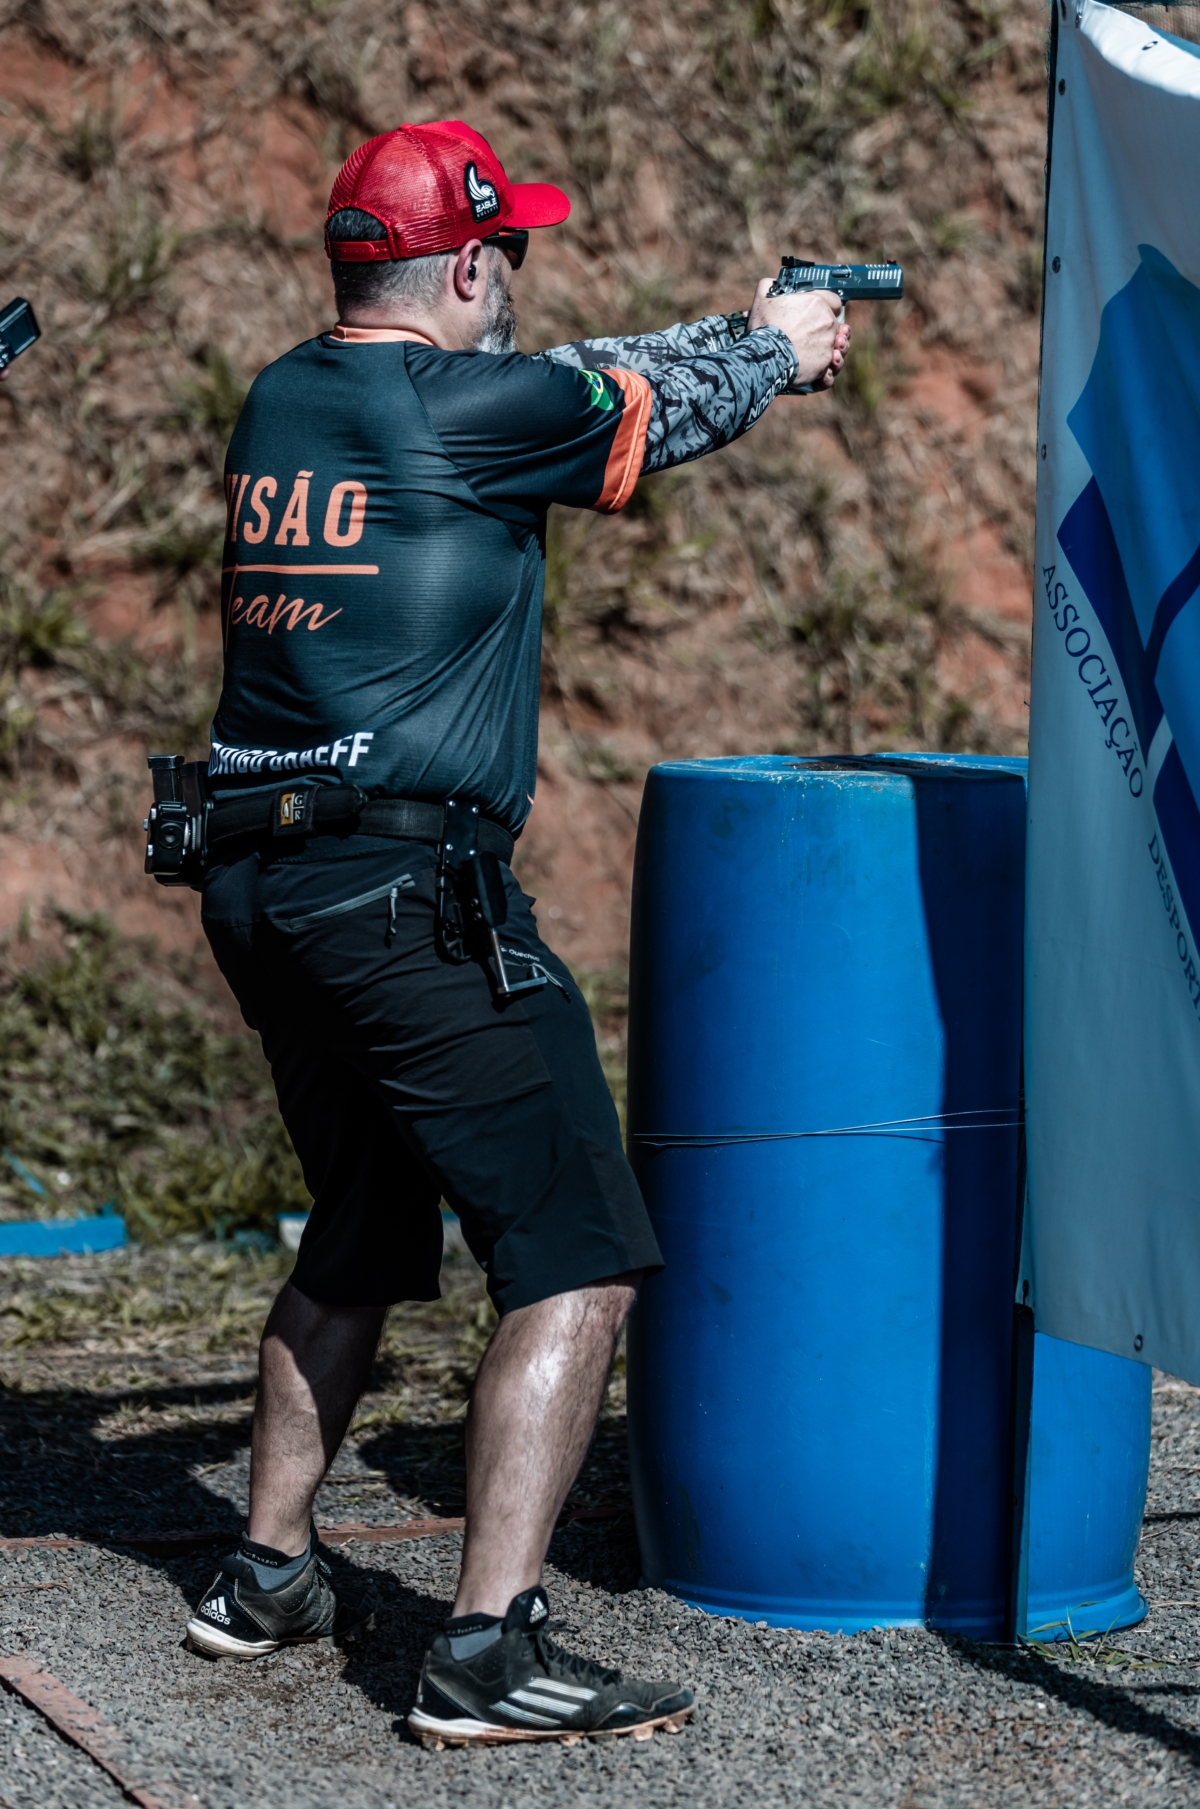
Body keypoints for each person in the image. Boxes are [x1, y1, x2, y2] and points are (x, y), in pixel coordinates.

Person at [184, 119, 847, 1747]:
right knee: (578, 1256)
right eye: (513, 255)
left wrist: (734, 326)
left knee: (359, 1221)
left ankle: (265, 1571)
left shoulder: (286, 398)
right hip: (406, 898)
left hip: (263, 885)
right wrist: (775, 349)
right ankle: (486, 1647)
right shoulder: (478, 413)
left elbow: (567, 379)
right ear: (472, 264)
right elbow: (639, 405)